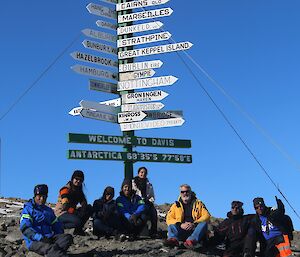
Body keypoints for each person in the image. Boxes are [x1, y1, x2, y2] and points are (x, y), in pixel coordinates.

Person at [20, 184, 73, 257]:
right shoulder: (28, 209)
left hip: (49, 238)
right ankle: (55, 252)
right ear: (35, 196)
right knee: (51, 248)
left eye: (44, 196)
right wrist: (39, 237)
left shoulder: (48, 211)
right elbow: (25, 228)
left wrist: (59, 235)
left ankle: (53, 252)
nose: (41, 199)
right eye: (39, 196)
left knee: (67, 238)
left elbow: (56, 225)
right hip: (34, 241)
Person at [164, 184, 211, 249]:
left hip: (194, 230)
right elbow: (169, 218)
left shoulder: (198, 204)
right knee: (171, 225)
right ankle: (173, 240)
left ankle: (191, 241)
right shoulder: (175, 205)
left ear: (190, 192)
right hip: (181, 230)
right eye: (182, 192)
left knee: (204, 224)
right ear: (180, 193)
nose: (185, 193)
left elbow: (207, 215)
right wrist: (180, 224)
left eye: (187, 191)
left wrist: (194, 224)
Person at [55, 170, 92, 235]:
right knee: (77, 221)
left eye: (80, 180)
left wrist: (83, 210)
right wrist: (77, 213)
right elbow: (65, 206)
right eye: (76, 179)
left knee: (89, 208)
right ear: (72, 179)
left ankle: (78, 229)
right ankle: (59, 226)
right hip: (61, 213)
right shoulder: (65, 189)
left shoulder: (79, 191)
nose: (78, 181)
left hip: (71, 213)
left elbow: (84, 202)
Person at [132, 166, 158, 237]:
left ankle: (153, 232)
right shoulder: (133, 183)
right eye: (141, 172)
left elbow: (152, 196)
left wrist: (149, 201)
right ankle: (137, 232)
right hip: (137, 204)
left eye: (145, 173)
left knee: (153, 212)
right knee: (143, 215)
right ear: (138, 173)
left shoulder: (149, 184)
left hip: (147, 203)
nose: (143, 174)